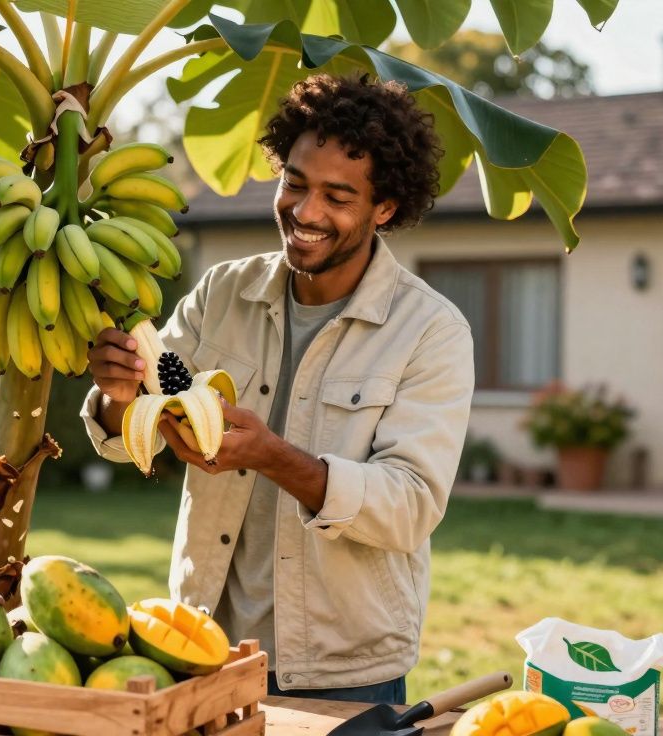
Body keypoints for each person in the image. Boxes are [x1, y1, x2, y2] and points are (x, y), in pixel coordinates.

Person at [80, 74, 475, 705]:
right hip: (201, 646)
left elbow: (409, 505)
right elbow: (132, 435)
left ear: (386, 208)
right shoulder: (222, 293)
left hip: (345, 672)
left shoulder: (429, 332)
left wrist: (273, 456)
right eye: (296, 182)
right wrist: (118, 393)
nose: (306, 211)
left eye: (337, 196)